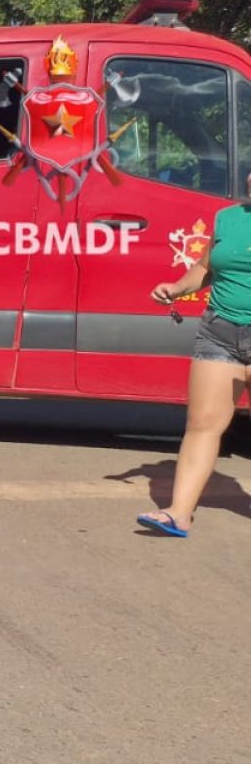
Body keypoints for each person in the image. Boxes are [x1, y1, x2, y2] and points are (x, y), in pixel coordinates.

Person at [141, 174, 251, 536]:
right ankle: (178, 513)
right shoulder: (228, 218)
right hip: (220, 331)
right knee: (202, 424)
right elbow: (206, 267)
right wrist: (177, 288)